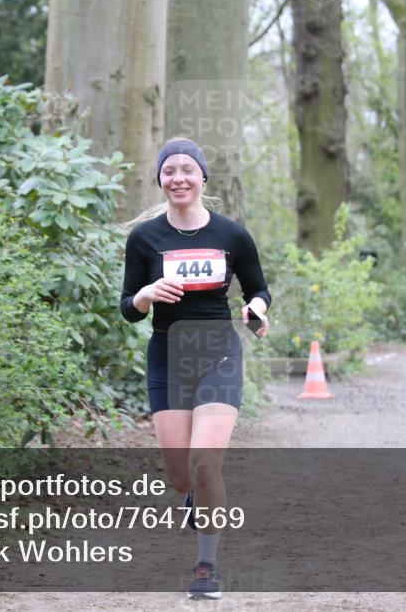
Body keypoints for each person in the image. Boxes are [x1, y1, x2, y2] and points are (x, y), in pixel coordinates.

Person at [120, 137, 271, 600]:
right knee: (181, 475)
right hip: (167, 357)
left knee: (206, 463)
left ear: (203, 177)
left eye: (188, 169)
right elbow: (129, 307)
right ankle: (193, 494)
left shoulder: (231, 236)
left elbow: (259, 290)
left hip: (219, 354)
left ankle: (207, 566)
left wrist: (257, 312)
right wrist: (146, 295)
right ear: (160, 180)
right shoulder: (144, 239)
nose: (179, 177)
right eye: (169, 171)